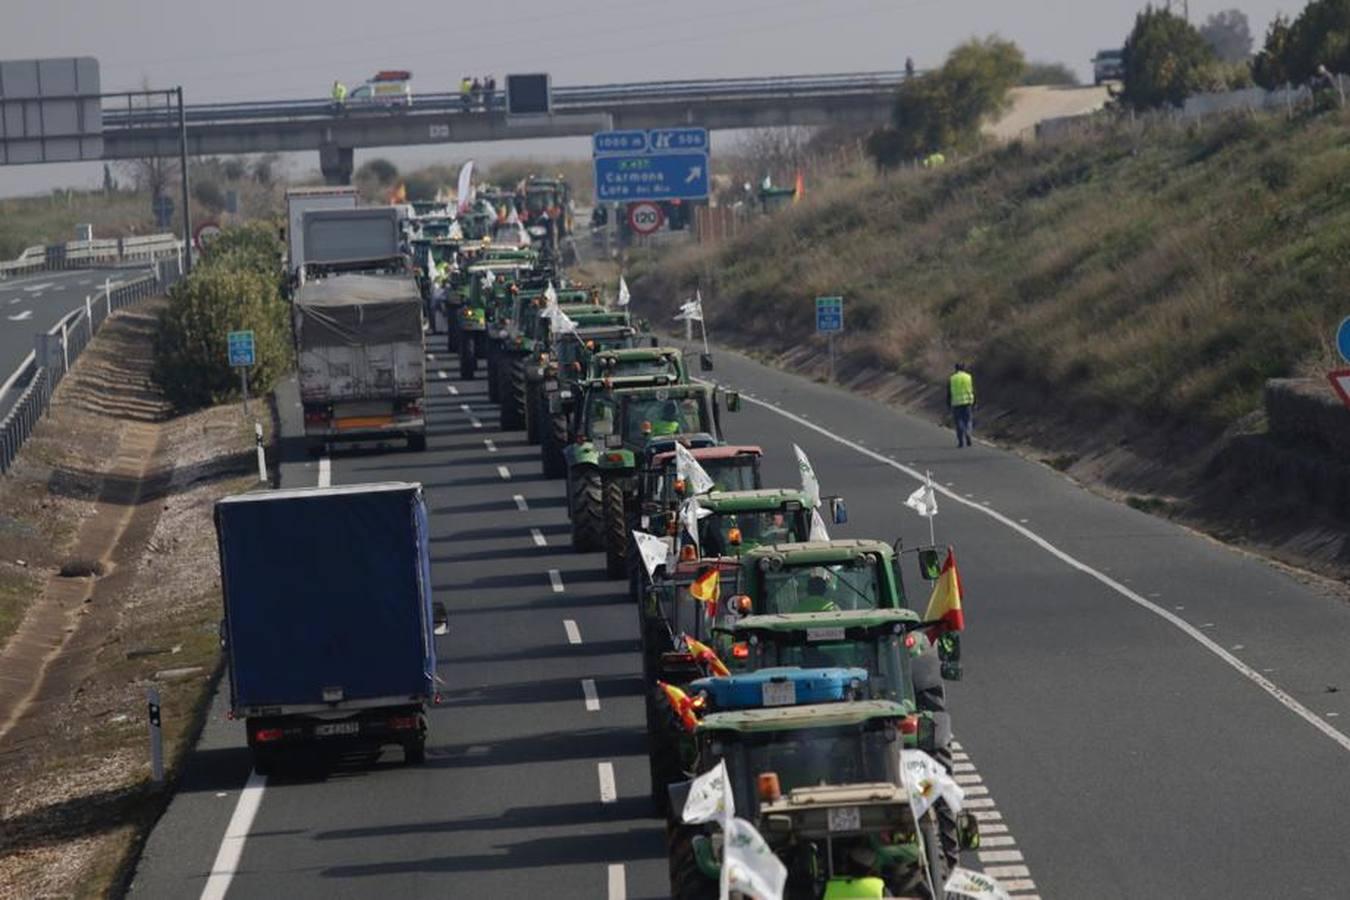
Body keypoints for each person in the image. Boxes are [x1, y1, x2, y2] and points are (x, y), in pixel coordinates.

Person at [948, 362, 975, 448]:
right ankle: (968, 433)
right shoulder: (968, 377)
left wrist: (948, 403)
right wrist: (974, 401)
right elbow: (972, 389)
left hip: (956, 403)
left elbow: (949, 392)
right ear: (964, 368)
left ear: (956, 369)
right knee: (968, 420)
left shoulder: (952, 378)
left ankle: (961, 442)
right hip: (968, 402)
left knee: (959, 421)